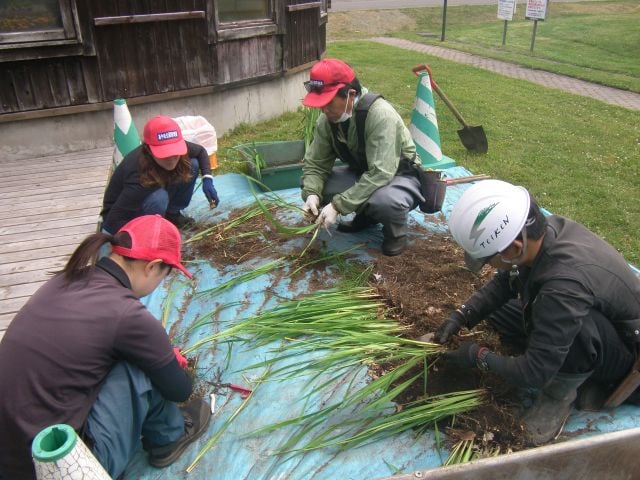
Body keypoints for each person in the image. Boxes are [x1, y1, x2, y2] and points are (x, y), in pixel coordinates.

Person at [0, 215, 211, 479]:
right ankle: (169, 436)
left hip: (11, 457)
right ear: (153, 266)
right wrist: (167, 360)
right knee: (139, 367)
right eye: (165, 275)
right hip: (65, 467)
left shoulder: (66, 279)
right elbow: (180, 390)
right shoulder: (127, 314)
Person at [436, 179, 640, 445]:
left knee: (569, 326)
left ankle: (559, 396)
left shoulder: (562, 288)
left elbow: (534, 373)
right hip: (598, 319)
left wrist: (479, 356)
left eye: (489, 259)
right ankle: (566, 359)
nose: (489, 266)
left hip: (629, 361)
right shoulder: (544, 232)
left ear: (514, 248)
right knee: (506, 311)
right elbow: (506, 281)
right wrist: (462, 315)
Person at [300, 58, 424, 256]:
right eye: (320, 104)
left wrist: (337, 206)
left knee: (384, 201)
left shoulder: (380, 115)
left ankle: (396, 233)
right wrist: (312, 193)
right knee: (312, 185)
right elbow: (316, 164)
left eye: (328, 103)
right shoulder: (329, 119)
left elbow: (381, 173)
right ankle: (367, 216)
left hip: (399, 175)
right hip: (365, 172)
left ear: (350, 94)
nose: (324, 110)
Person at [101, 115, 220, 234]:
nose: (172, 157)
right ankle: (151, 231)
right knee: (158, 198)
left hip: (154, 188)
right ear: (148, 150)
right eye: (164, 153)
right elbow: (112, 222)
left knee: (191, 165)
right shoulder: (137, 175)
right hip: (127, 215)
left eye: (174, 150)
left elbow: (201, 151)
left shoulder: (178, 149)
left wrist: (207, 179)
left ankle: (172, 214)